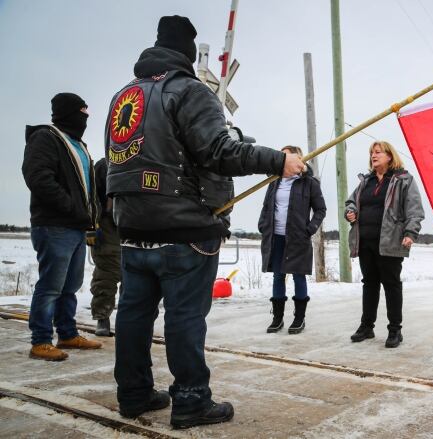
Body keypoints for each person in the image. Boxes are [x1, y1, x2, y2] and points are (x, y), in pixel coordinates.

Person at [105, 16, 305, 428]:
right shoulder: (188, 90)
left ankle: (134, 393)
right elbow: (219, 151)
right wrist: (277, 160)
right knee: (184, 317)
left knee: (133, 315)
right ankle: (192, 399)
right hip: (184, 230)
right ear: (188, 56)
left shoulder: (124, 97)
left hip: (131, 226)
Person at [22, 92, 103, 361]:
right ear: (68, 112)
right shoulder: (46, 138)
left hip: (77, 227)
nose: (86, 117)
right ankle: (40, 340)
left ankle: (67, 333)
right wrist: (71, 207)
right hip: (54, 225)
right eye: (82, 111)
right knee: (51, 285)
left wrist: (89, 217)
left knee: (71, 284)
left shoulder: (78, 144)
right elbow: (38, 178)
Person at [345, 141, 424, 348]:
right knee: (369, 284)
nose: (374, 155)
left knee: (391, 285)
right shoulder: (366, 181)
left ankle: (395, 330)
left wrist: (410, 233)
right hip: (365, 241)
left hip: (391, 241)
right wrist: (350, 212)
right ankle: (367, 326)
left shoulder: (403, 180)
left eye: (378, 152)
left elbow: (414, 209)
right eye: (372, 152)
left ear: (390, 156)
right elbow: (351, 202)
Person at [259, 145, 326, 334]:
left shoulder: (309, 183)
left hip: (298, 238)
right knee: (278, 276)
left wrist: (310, 229)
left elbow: (320, 210)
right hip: (276, 237)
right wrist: (263, 226)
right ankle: (277, 318)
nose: (283, 159)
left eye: (287, 156)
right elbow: (266, 207)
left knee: (298, 276)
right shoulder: (274, 181)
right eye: (282, 156)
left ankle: (299, 319)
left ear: (298, 160)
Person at [90, 157, 121, 336]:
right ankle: (102, 317)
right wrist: (92, 226)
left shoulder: (141, 161)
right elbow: (91, 197)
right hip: (107, 225)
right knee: (106, 274)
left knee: (135, 277)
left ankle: (129, 320)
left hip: (133, 224)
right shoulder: (103, 165)